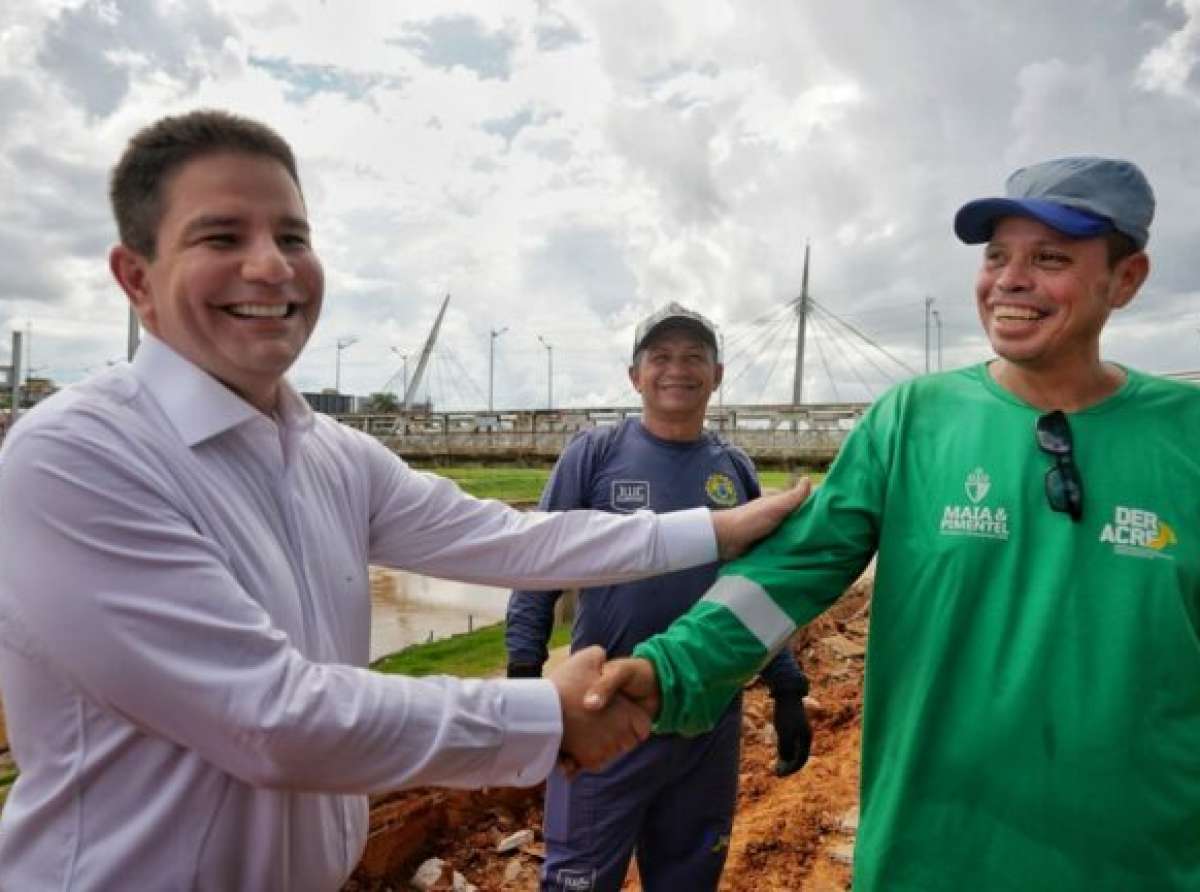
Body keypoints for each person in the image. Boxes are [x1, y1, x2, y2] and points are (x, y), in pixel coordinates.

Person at [0, 110, 809, 891]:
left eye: (292, 237)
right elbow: (270, 718)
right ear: (134, 278)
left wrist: (721, 529)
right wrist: (540, 708)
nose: (272, 266)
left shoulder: (331, 455)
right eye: (222, 237)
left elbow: (510, 541)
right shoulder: (78, 455)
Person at [588, 157, 1200, 891]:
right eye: (997, 255)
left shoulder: (1186, 438)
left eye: (1051, 259)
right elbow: (786, 576)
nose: (1010, 279)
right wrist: (670, 669)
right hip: (930, 857)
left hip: (1137, 862)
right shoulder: (910, 422)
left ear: (1125, 279)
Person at [506, 302, 812, 891]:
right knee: (578, 880)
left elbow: (758, 590)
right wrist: (524, 670)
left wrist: (788, 686)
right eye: (662, 357)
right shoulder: (592, 455)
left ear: (717, 377)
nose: (678, 369)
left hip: (708, 720)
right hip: (604, 714)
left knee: (690, 877)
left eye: (695, 357)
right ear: (635, 376)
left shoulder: (734, 470)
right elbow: (538, 561)